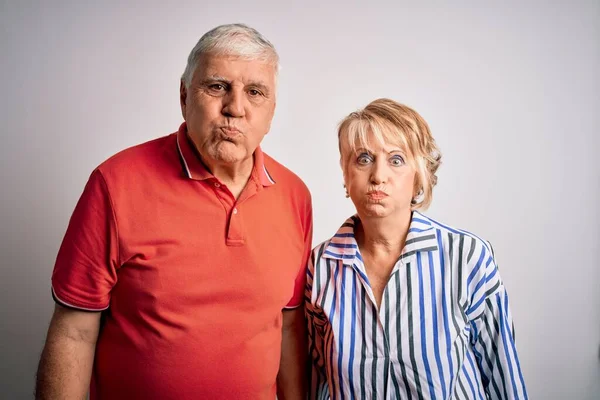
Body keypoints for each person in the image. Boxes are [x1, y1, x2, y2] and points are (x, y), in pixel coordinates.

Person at [35, 23, 312, 400]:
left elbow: (288, 328)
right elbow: (74, 332)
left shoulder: (295, 197)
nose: (235, 108)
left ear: (271, 111)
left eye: (254, 92)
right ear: (184, 96)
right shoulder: (114, 185)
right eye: (217, 86)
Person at [306, 98, 527, 399]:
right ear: (346, 175)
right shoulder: (320, 266)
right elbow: (317, 381)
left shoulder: (466, 257)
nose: (378, 176)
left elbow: (503, 379)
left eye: (396, 160)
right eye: (363, 159)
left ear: (419, 176)